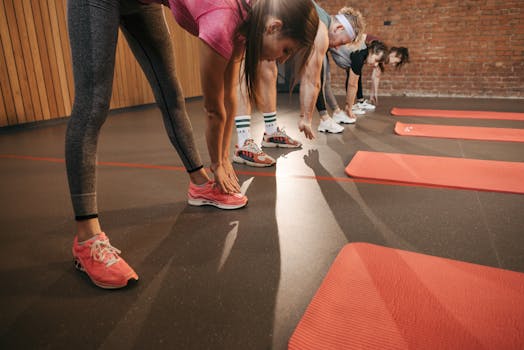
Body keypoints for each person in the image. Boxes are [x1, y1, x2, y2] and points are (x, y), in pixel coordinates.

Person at [66, 0, 319, 289]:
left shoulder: (248, 20)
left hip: (142, 5)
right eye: (286, 50)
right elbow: (213, 109)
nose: (283, 59)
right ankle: (87, 240)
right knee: (94, 102)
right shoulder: (223, 19)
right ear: (274, 27)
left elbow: (229, 97)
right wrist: (218, 164)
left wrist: (223, 163)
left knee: (171, 96)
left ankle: (200, 184)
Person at [232, 4, 365, 167]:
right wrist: (306, 119)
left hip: (265, 14)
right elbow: (311, 79)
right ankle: (244, 143)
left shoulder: (317, 18)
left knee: (269, 68)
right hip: (250, 10)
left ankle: (271, 132)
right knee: (245, 68)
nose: (337, 47)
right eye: (341, 42)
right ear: (338, 28)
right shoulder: (321, 30)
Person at [317, 40, 389, 122]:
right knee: (323, 82)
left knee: (326, 82)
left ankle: (336, 112)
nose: (376, 64)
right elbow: (352, 84)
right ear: (372, 51)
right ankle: (325, 119)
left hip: (325, 45)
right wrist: (349, 108)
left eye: (378, 63)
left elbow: (353, 82)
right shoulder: (359, 55)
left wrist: (349, 106)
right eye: (376, 60)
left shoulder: (363, 53)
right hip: (320, 44)